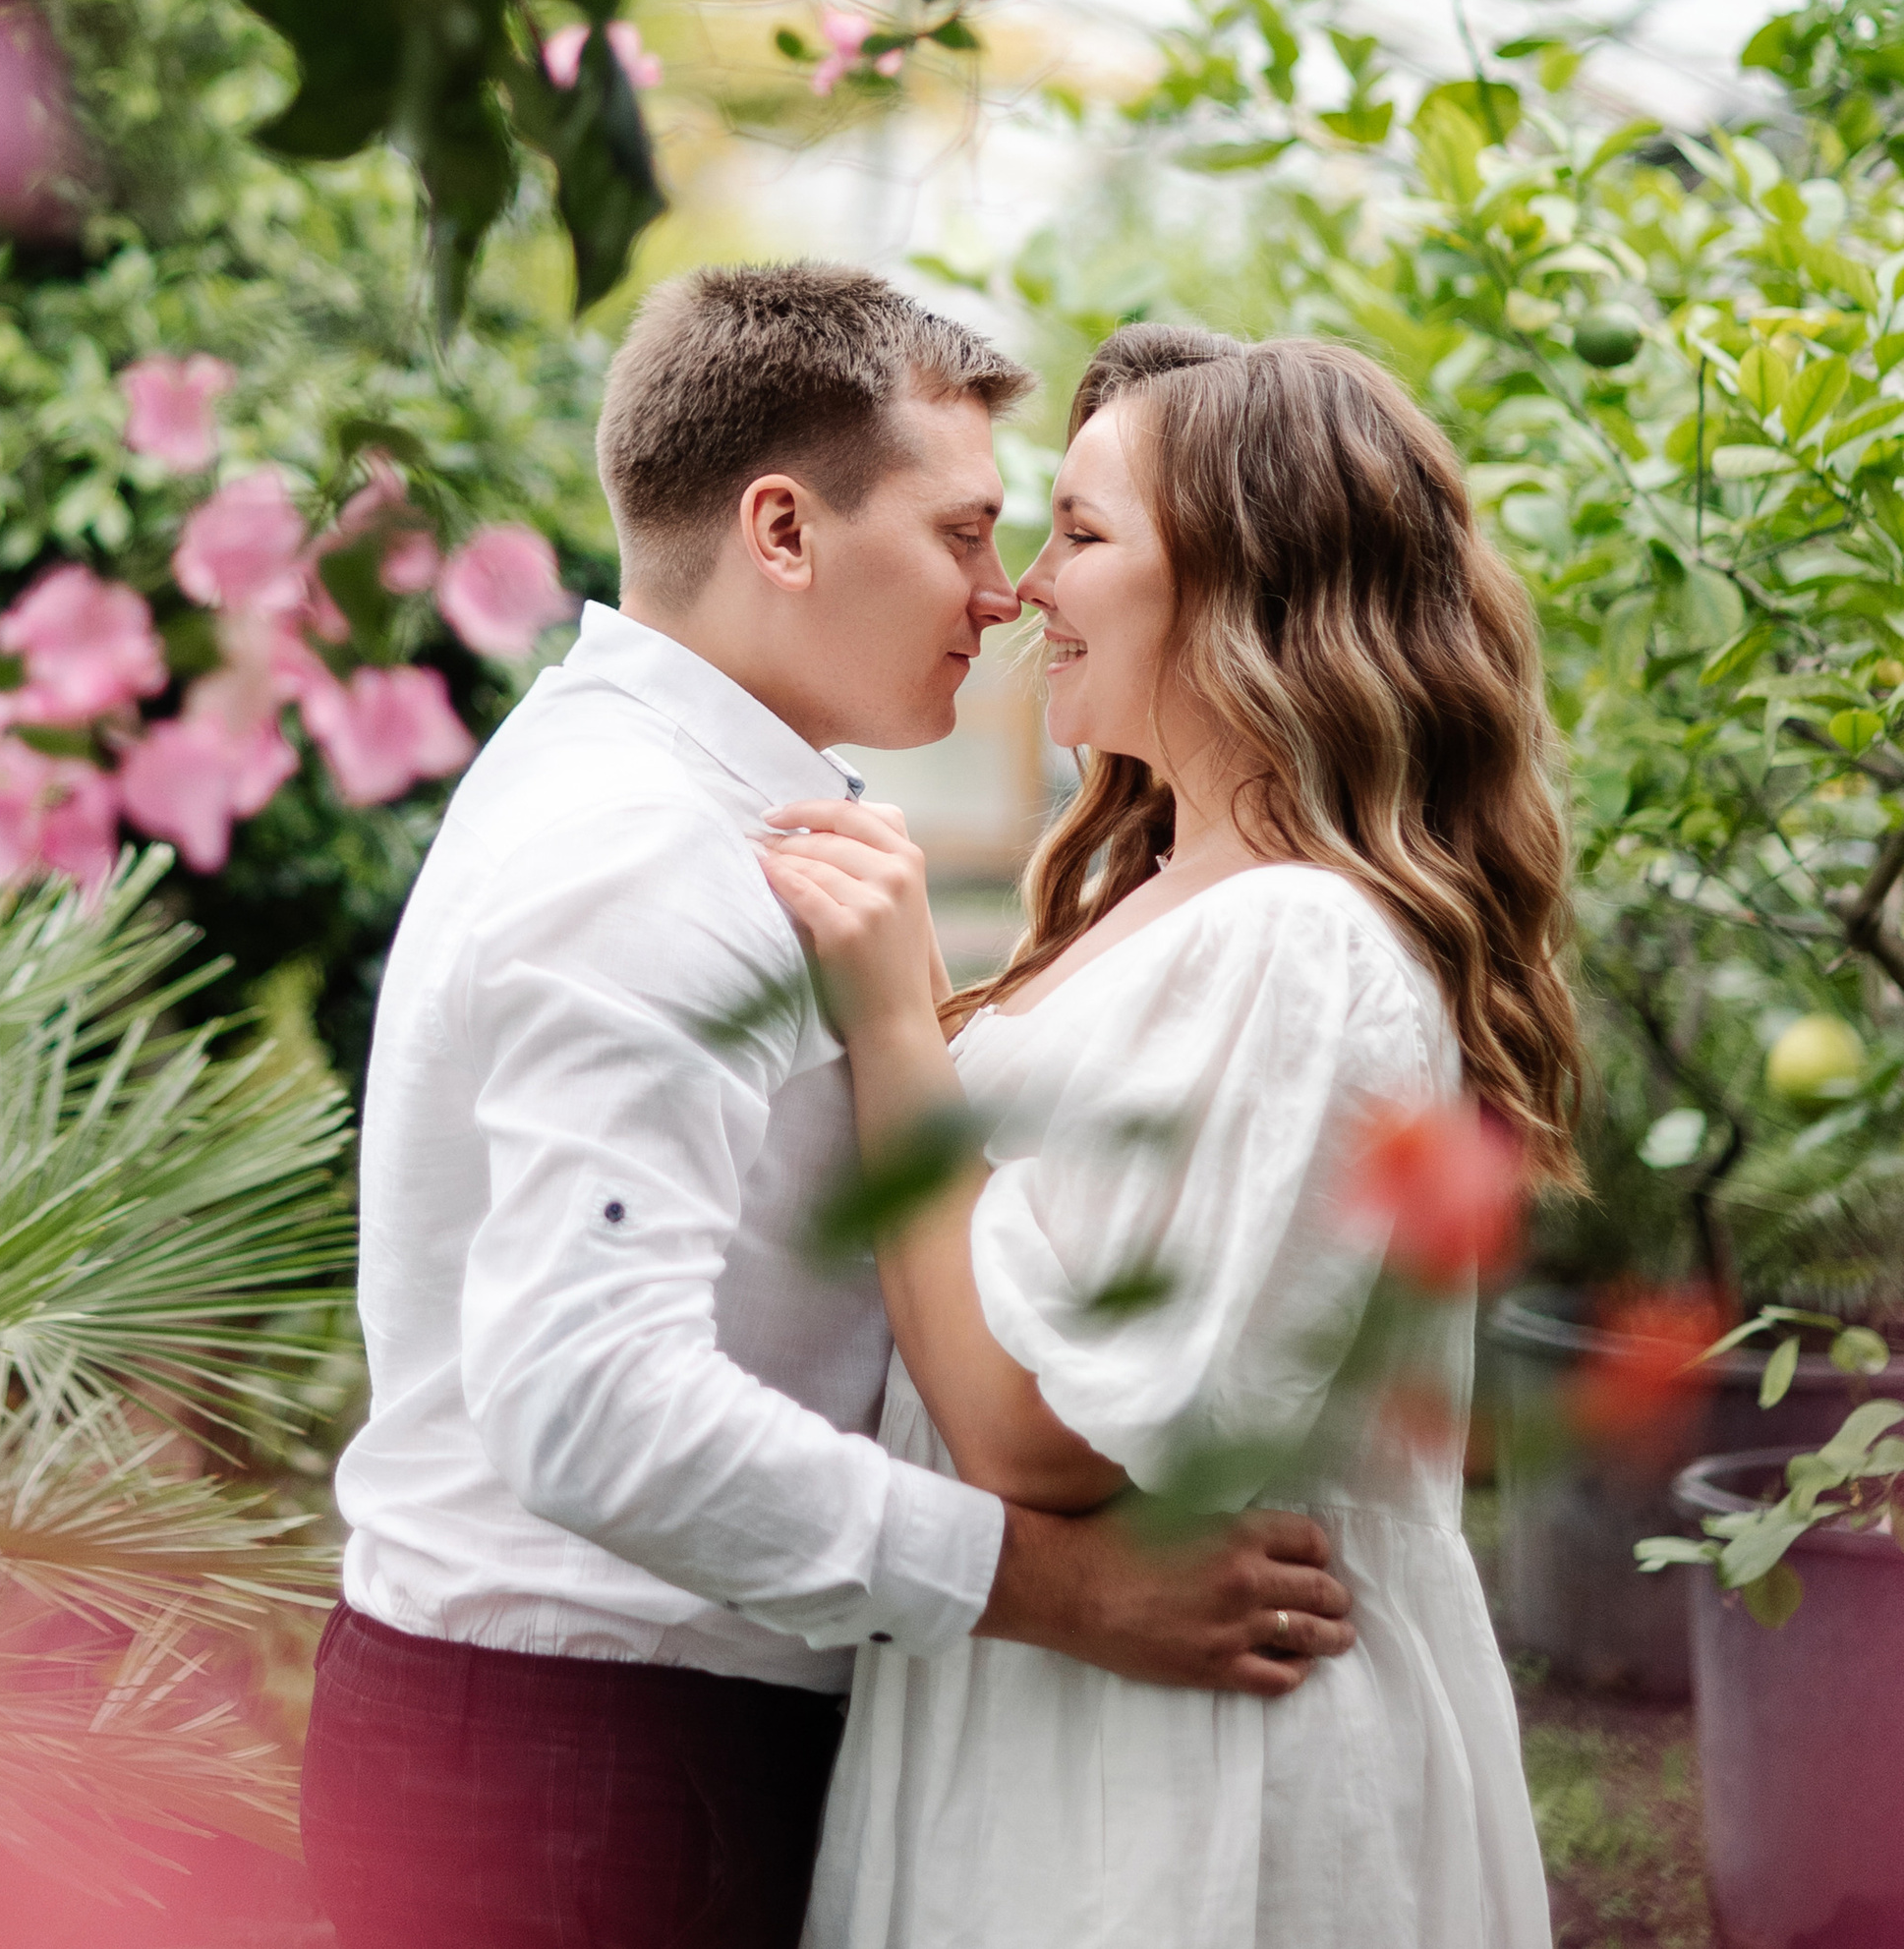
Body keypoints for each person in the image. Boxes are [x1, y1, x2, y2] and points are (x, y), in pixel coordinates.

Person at [302, 271, 1358, 1949]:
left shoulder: (695, 794)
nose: (1006, 594)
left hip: (596, 1731)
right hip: (594, 1755)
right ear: (782, 528)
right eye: (963, 532)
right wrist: (1063, 1589)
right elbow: (586, 1402)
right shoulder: (649, 849)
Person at [761, 323, 1575, 1949]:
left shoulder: (1302, 945)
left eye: (1078, 531)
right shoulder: (1157, 907)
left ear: (1244, 585)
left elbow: (1038, 1431)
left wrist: (896, 1027)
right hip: (1062, 1714)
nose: (1021, 589)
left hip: (1184, 1772)